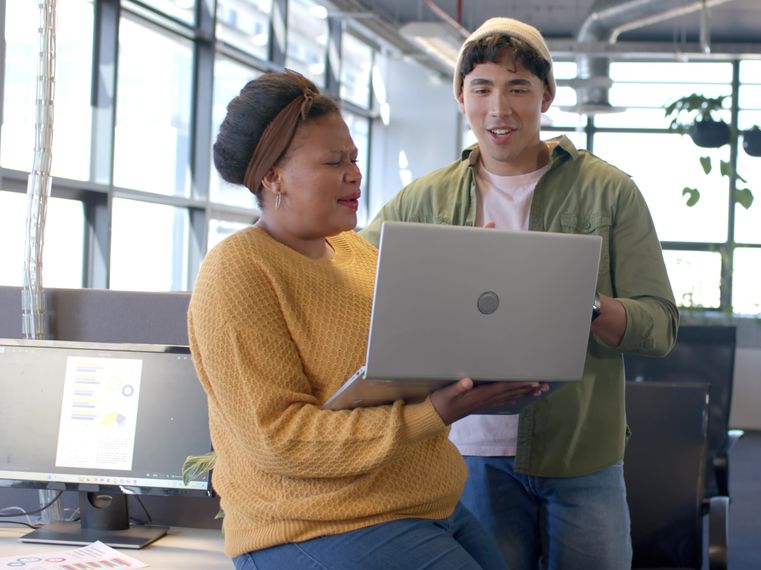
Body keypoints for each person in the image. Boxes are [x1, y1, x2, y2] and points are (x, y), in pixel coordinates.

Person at [188, 70, 542, 569]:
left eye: (353, 159)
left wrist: (475, 291)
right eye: (334, 162)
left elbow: (410, 364)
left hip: (422, 503)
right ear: (273, 176)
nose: (354, 174)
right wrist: (436, 411)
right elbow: (280, 439)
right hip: (314, 523)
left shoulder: (358, 253)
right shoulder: (239, 270)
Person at [360, 17, 679, 570]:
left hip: (580, 453)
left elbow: (660, 328)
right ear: (461, 96)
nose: (499, 110)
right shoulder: (423, 198)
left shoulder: (610, 191)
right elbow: (352, 278)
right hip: (465, 452)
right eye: (481, 88)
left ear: (546, 96)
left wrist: (582, 301)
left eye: (518, 89)